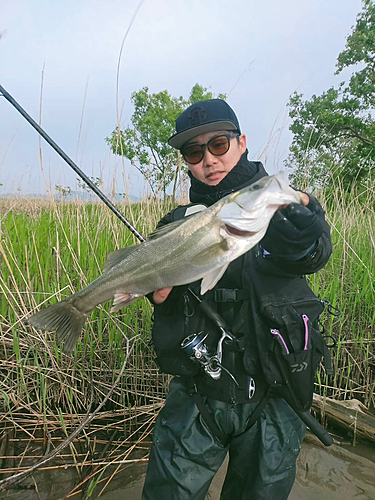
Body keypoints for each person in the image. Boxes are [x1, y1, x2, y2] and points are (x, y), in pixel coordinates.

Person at [141, 99, 332, 500]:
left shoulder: (276, 206)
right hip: (198, 392)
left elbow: (312, 254)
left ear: (242, 142)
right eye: (194, 152)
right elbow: (163, 299)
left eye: (219, 145)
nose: (209, 159)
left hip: (276, 395)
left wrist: (301, 234)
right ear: (186, 162)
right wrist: (155, 296)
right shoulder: (175, 225)